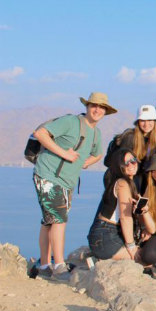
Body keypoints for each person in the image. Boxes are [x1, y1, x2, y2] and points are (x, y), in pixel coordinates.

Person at [32, 92, 113, 279]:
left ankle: (44, 265)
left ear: (105, 111)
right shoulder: (71, 122)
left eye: (101, 107)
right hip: (48, 175)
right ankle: (59, 266)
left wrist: (85, 162)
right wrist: (64, 154)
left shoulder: (96, 133)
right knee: (59, 220)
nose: (97, 109)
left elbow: (98, 154)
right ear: (87, 106)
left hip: (66, 181)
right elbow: (40, 134)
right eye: (94, 105)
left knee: (48, 221)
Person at [88, 149, 154, 261]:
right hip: (106, 235)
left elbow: (151, 228)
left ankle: (100, 257)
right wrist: (131, 247)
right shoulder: (122, 184)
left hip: (106, 233)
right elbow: (125, 218)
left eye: (133, 160)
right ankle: (99, 259)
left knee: (147, 253)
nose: (131, 164)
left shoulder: (129, 184)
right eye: (126, 163)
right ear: (119, 166)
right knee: (142, 257)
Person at [103, 105, 156, 192]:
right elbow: (123, 165)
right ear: (138, 122)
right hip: (119, 178)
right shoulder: (130, 137)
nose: (146, 124)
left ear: (155, 122)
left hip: (137, 178)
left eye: (149, 120)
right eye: (143, 120)